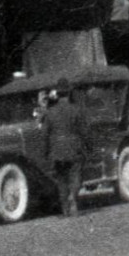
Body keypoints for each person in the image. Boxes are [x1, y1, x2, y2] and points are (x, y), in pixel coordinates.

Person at [41, 79, 89, 218]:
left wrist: (46, 153)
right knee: (76, 176)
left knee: (61, 180)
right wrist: (88, 147)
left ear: (57, 93)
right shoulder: (76, 110)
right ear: (69, 92)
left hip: (57, 150)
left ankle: (65, 209)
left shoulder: (50, 113)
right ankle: (72, 197)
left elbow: (45, 135)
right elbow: (84, 131)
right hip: (74, 148)